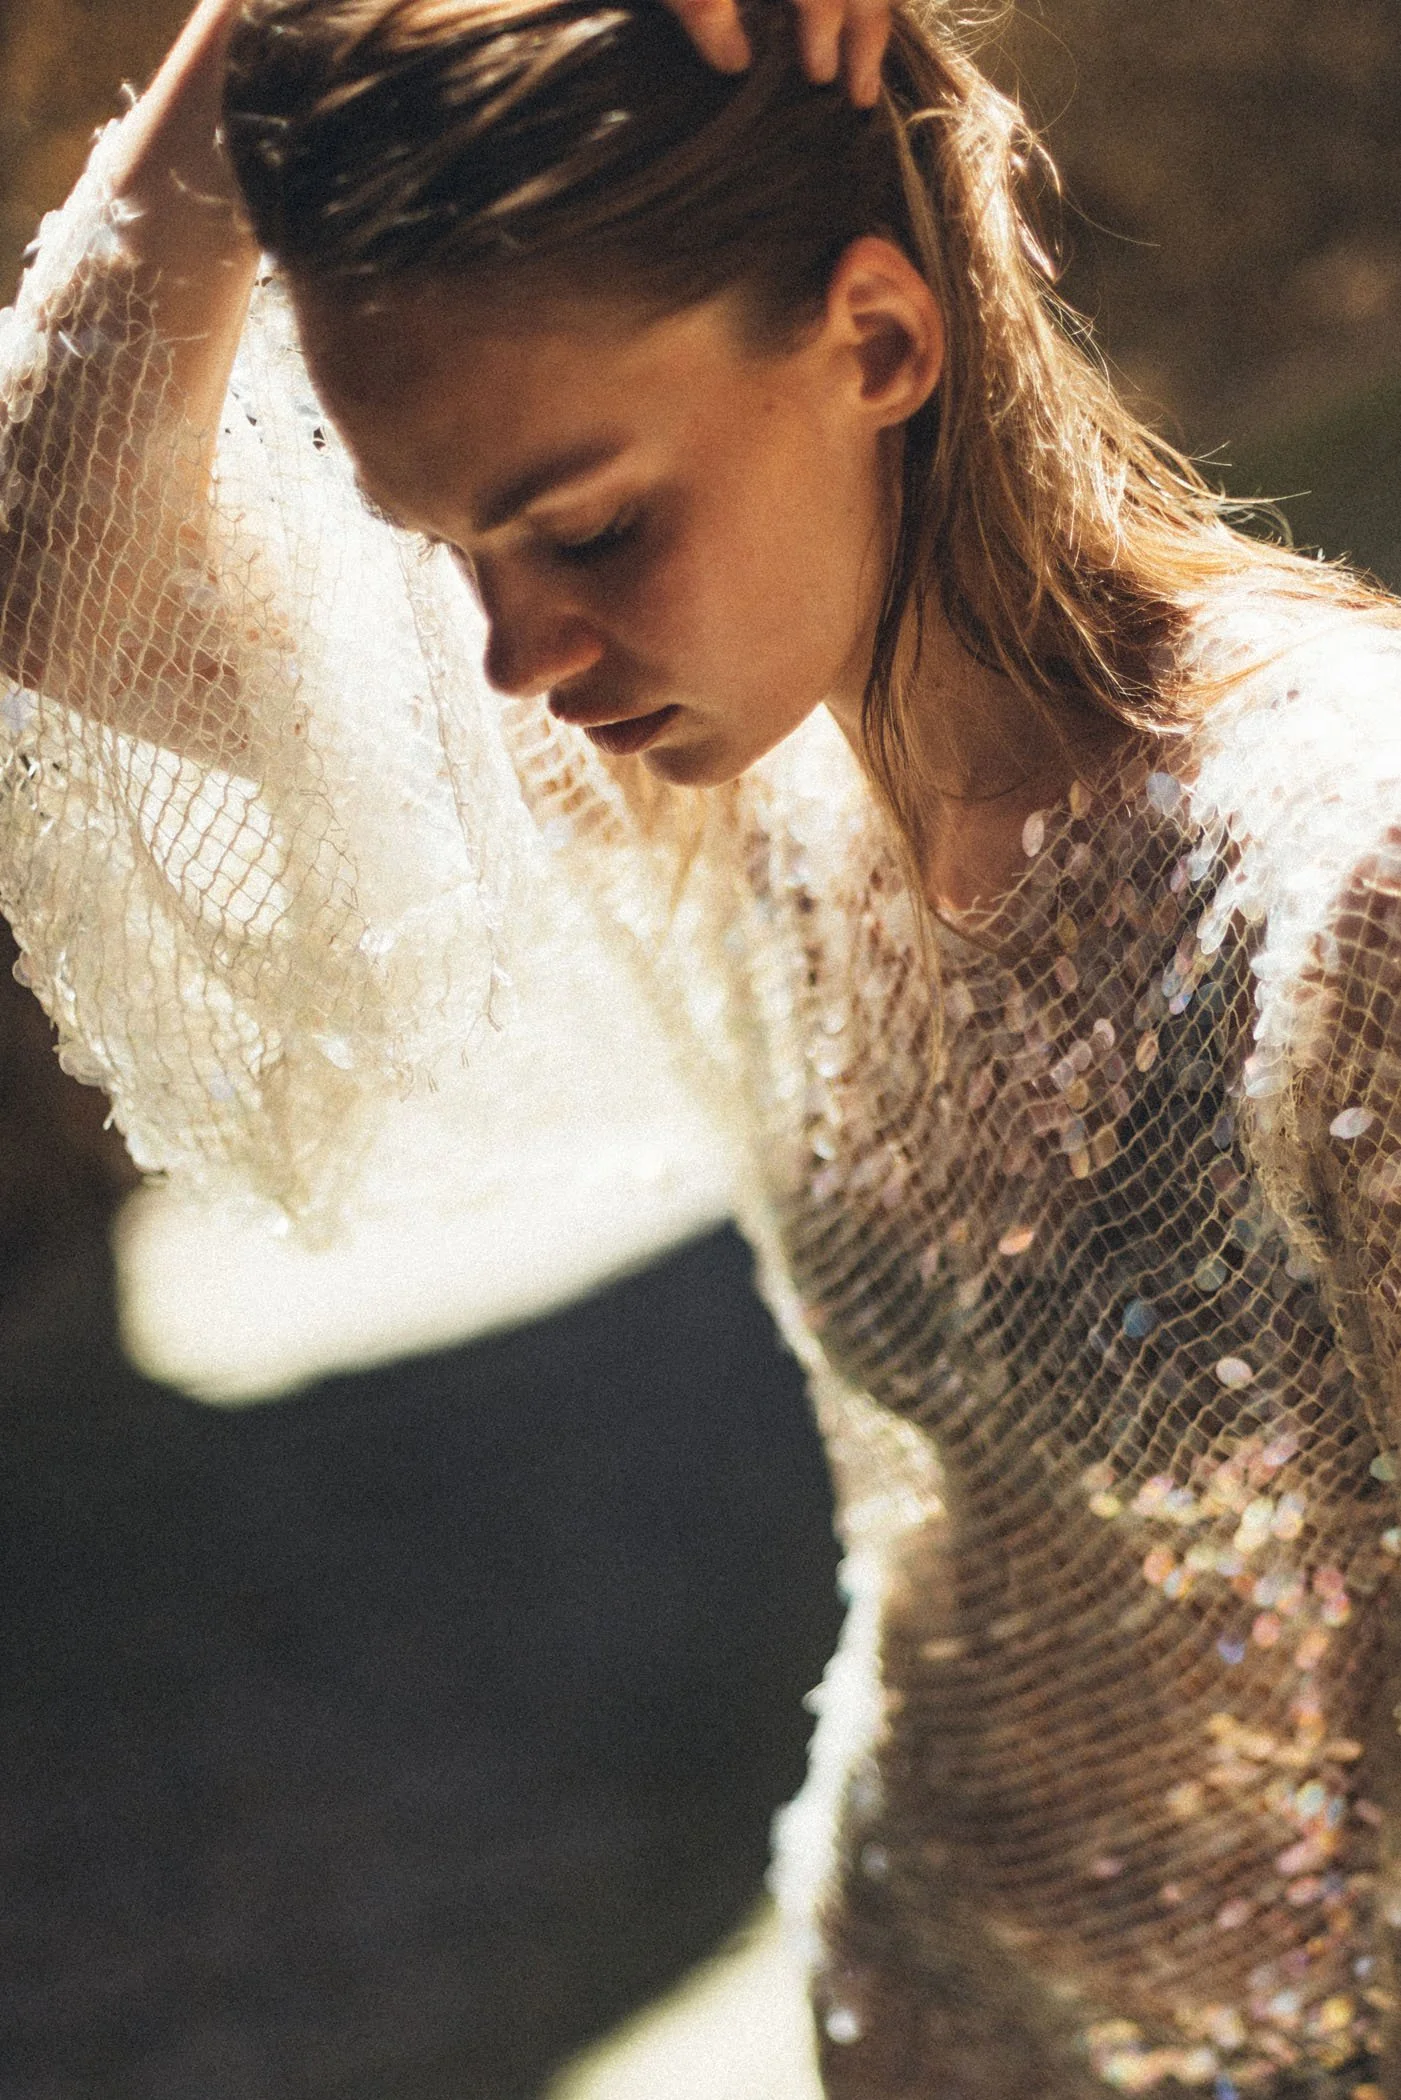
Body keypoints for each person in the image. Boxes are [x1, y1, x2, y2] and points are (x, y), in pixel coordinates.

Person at [4, 1, 1401, 2091]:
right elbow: (57, 579)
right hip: (911, 2006)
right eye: (452, 550)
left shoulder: (1342, 879)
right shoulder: (737, 793)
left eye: (583, 529)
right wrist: (268, 26)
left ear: (878, 337)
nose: (513, 655)